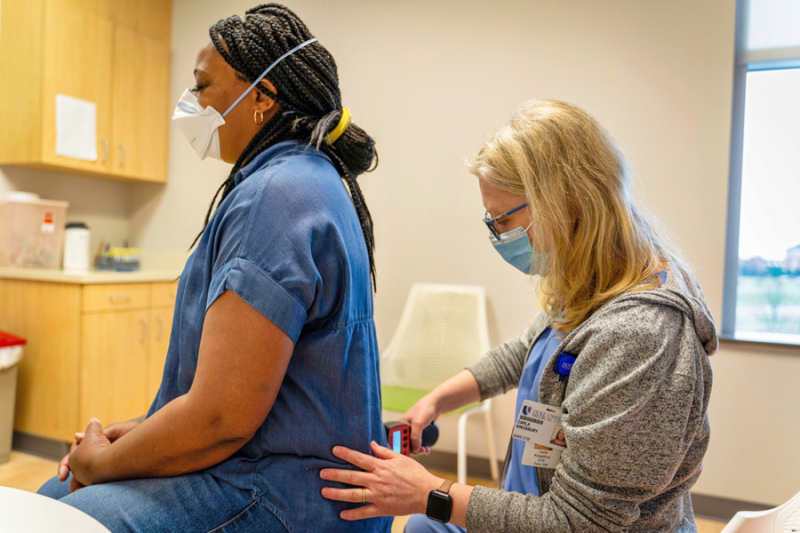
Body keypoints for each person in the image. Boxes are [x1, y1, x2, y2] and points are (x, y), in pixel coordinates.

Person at [37, 4, 391, 532]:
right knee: (52, 493)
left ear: (262, 99)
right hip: (259, 462)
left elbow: (222, 418)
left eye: (202, 86)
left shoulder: (277, 196)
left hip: (280, 494)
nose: (190, 102)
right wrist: (134, 435)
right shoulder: (301, 179)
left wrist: (104, 462)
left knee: (59, 518)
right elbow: (229, 393)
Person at [320, 100, 716, 532]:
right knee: (422, 527)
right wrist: (437, 401)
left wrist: (428, 493)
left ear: (568, 204)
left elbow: (579, 523)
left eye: (503, 220)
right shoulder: (598, 278)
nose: (498, 236)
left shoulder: (641, 337)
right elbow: (528, 352)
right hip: (534, 508)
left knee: (424, 520)